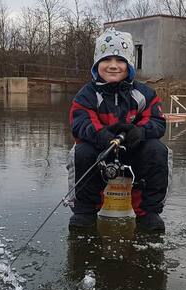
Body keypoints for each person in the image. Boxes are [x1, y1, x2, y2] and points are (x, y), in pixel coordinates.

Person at [66, 28, 170, 232]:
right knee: (82, 152)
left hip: (133, 149)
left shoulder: (144, 94)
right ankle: (85, 211)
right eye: (106, 60)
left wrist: (139, 132)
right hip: (100, 148)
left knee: (157, 150)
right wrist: (100, 134)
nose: (113, 66)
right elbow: (80, 122)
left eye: (120, 60)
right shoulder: (86, 95)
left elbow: (157, 122)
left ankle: (148, 212)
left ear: (129, 65)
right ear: (97, 65)